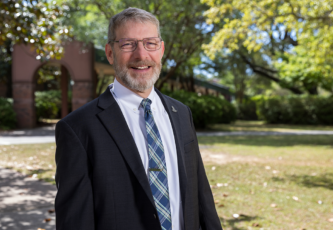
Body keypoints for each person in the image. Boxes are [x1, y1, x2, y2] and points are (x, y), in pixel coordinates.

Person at [55, 7, 223, 230]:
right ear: (110, 53)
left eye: (150, 43)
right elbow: (75, 221)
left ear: (161, 49)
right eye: (127, 44)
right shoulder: (78, 128)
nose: (141, 55)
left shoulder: (181, 113)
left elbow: (201, 195)